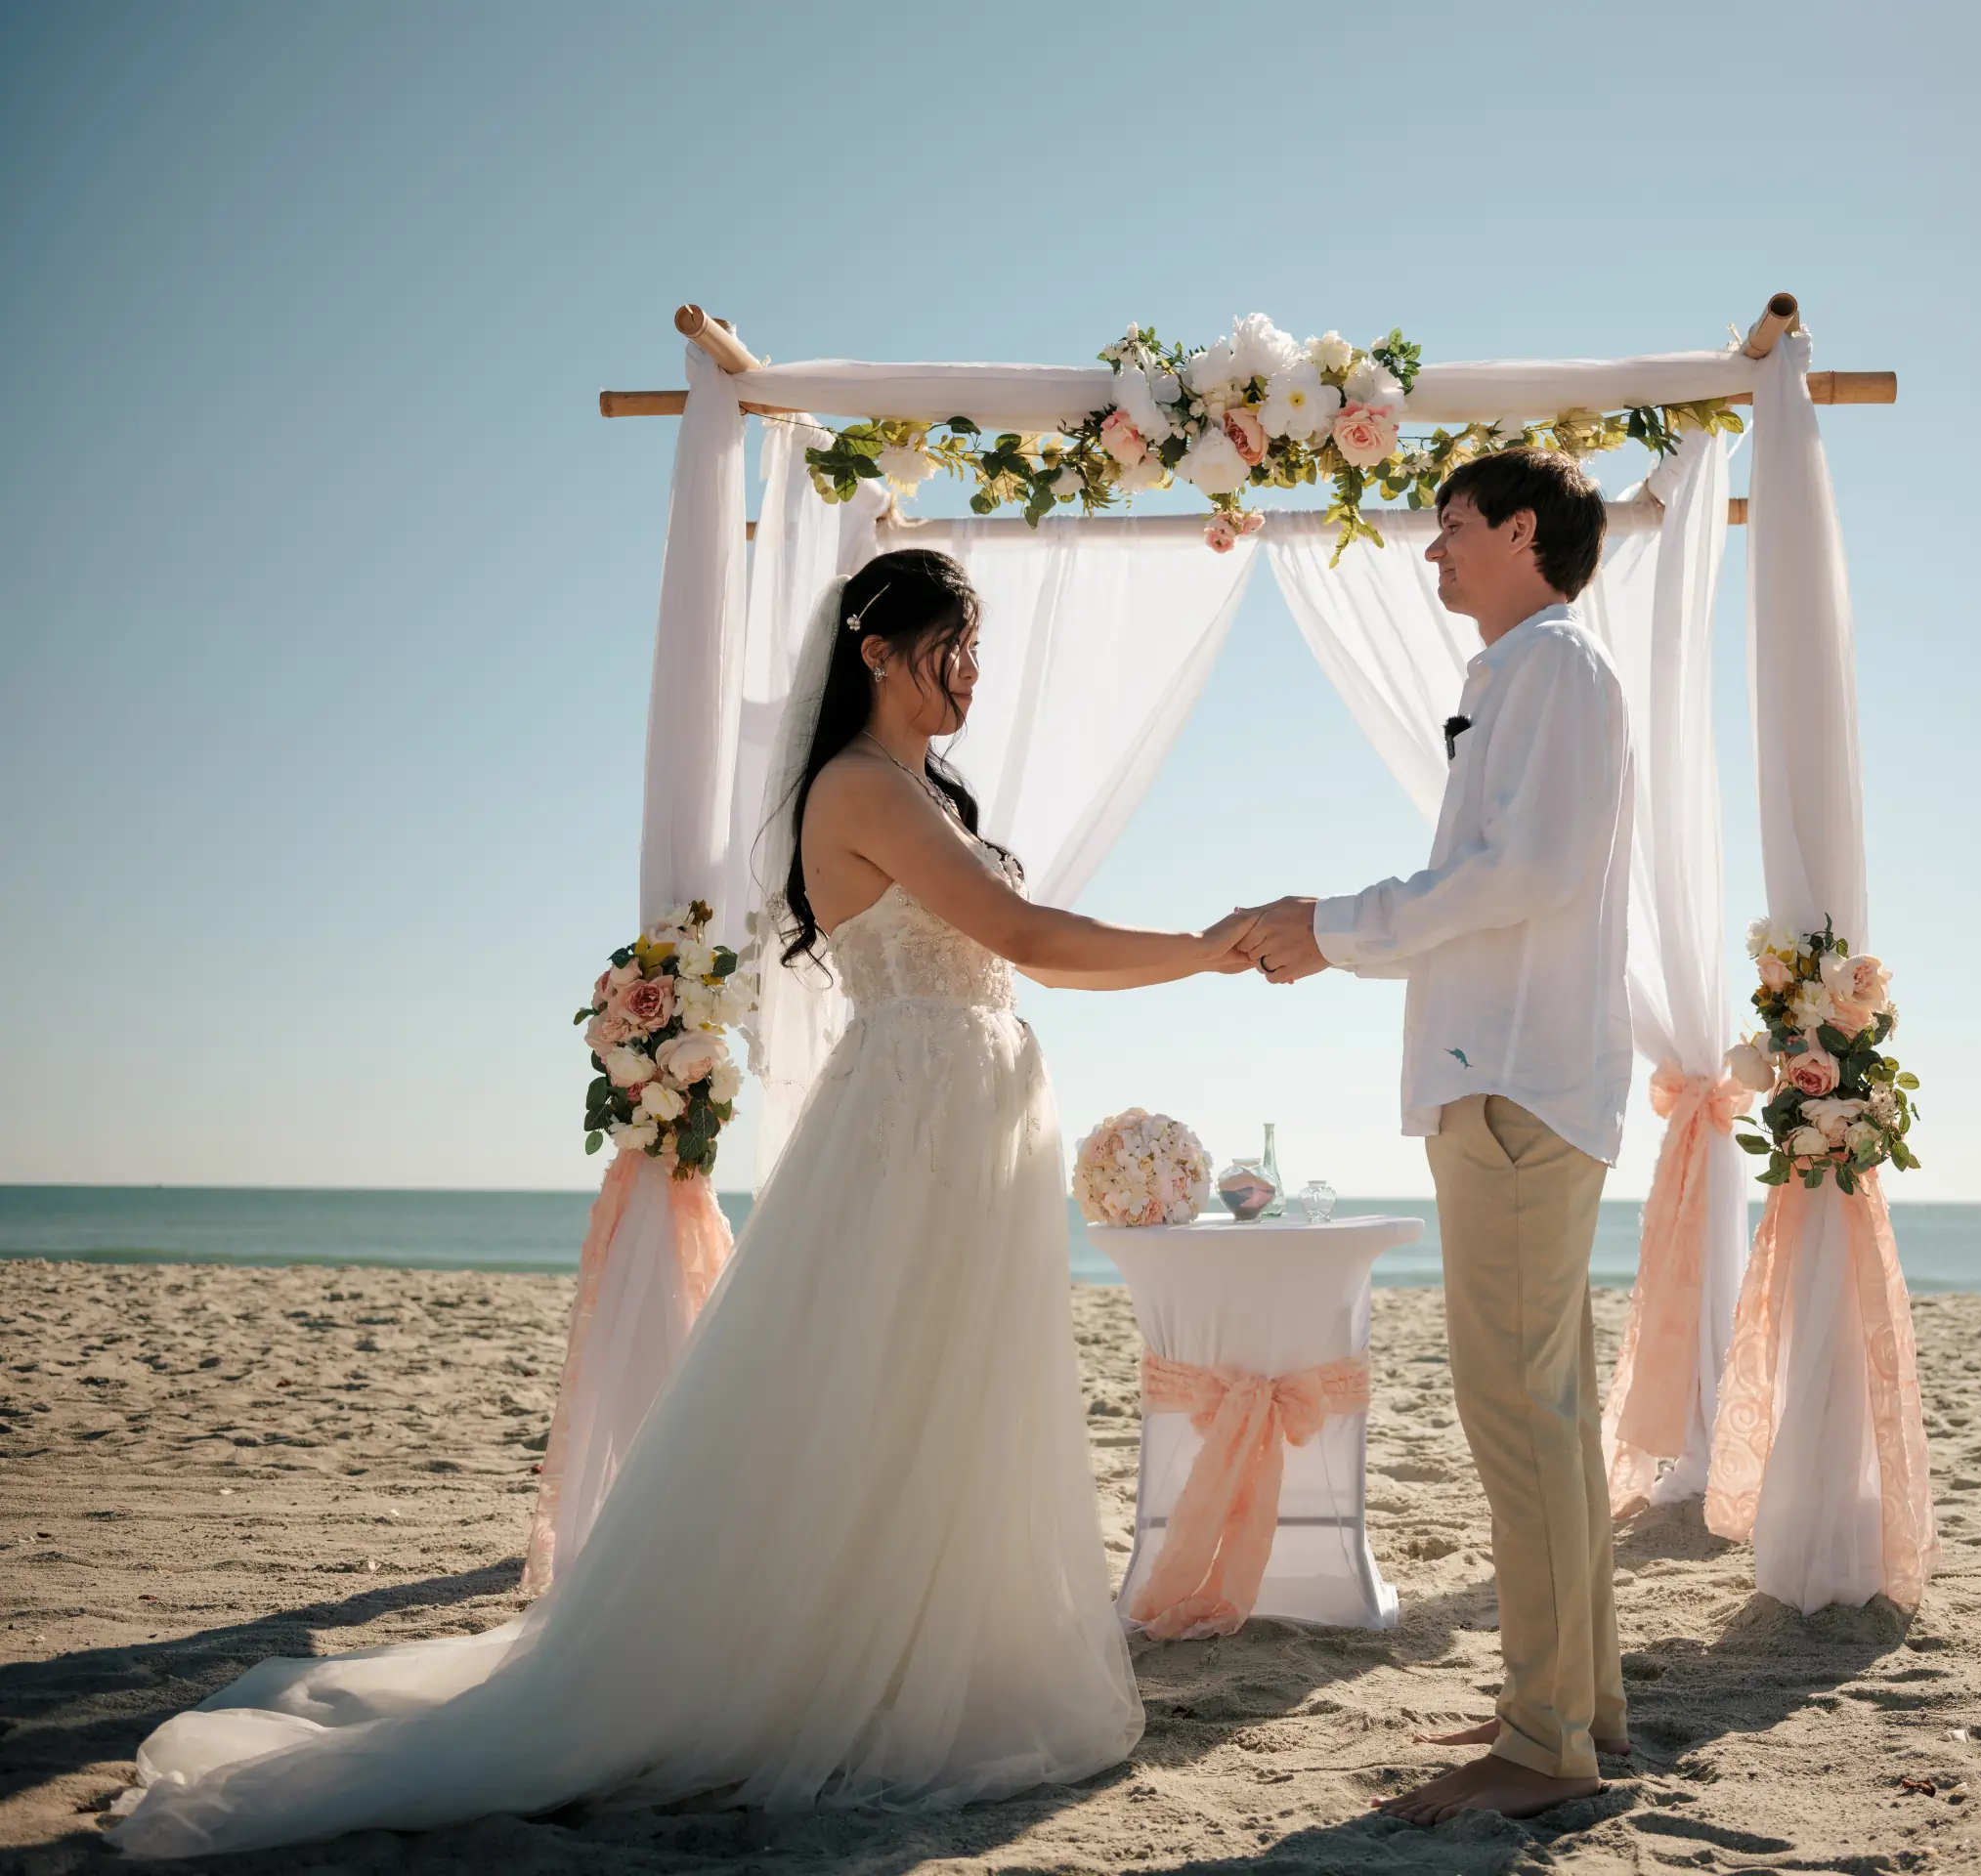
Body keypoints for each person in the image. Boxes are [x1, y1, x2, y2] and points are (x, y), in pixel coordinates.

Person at [110, 549, 1256, 1857]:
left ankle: (919, 1654)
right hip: (915, 1123)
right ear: (879, 649)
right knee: (879, 1387)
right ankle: (840, 1671)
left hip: (965, 1114)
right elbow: (1029, 939)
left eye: (980, 651)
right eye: (957, 647)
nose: (974, 676)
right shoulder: (860, 788)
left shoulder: (917, 788)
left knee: (951, 1391)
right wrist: (1208, 950)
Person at [1239, 448, 1636, 1823]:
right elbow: (1501, 878)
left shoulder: (1557, 674)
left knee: (1518, 1417)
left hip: (1518, 1085)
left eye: (1452, 526)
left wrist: (1332, 926)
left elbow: (1524, 875)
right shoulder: (1528, 676)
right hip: (1519, 1077)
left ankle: (1542, 1745)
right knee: (1552, 1415)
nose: (1432, 553)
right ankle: (1581, 1705)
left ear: (1523, 531)